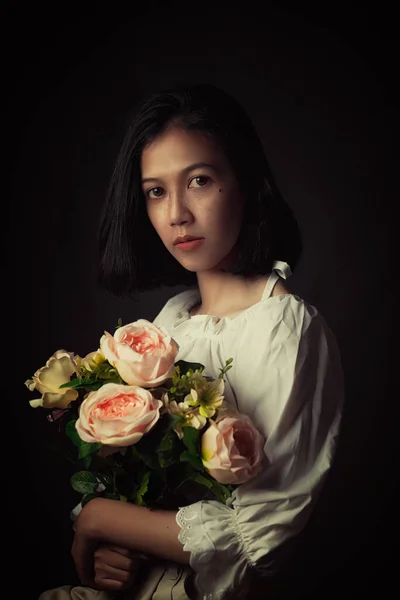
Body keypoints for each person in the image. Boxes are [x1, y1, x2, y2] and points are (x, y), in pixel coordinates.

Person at [38, 82, 344, 600]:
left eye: (198, 180)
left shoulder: (287, 328)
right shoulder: (173, 319)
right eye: (156, 191)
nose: (176, 212)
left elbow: (259, 540)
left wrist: (100, 516)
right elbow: (146, 494)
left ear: (245, 182)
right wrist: (115, 544)